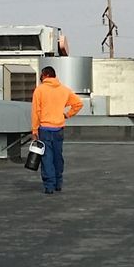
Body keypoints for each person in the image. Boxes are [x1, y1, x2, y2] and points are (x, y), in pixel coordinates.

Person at [30, 65, 84, 195]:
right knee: (58, 157)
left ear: (45, 75)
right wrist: (67, 114)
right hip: (58, 128)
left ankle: (49, 185)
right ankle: (58, 183)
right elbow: (78, 103)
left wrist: (34, 130)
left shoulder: (39, 90)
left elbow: (36, 112)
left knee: (46, 158)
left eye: (41, 76)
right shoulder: (64, 90)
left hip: (44, 129)